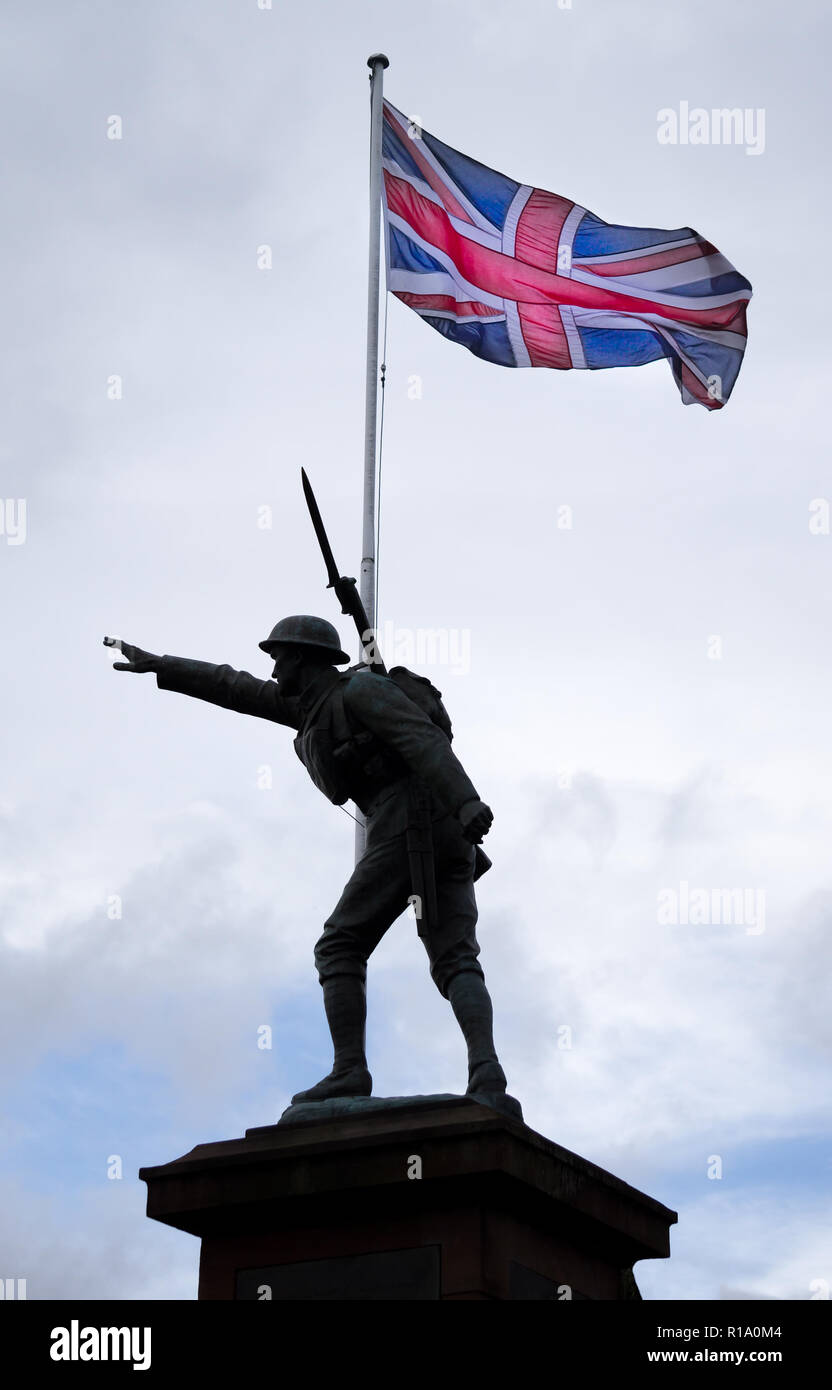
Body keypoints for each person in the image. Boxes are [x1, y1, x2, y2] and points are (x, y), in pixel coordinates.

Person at [111, 615, 513, 1108]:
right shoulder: (312, 707)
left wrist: (466, 800)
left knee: (340, 945)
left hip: (413, 817)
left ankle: (349, 1072)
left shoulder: (360, 692)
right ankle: (487, 1073)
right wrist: (163, 667)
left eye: (278, 656)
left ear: (302, 657)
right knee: (454, 956)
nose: (274, 669)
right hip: (443, 826)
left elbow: (421, 739)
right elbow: (232, 686)